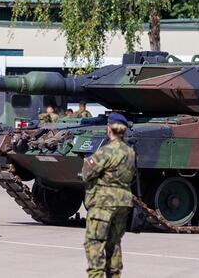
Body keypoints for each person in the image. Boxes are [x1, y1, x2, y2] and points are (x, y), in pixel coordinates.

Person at [82, 113, 135, 278]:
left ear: (109, 129)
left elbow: (86, 174)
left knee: (95, 242)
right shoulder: (130, 152)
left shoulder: (106, 151)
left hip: (104, 202)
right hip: (123, 202)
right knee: (114, 243)